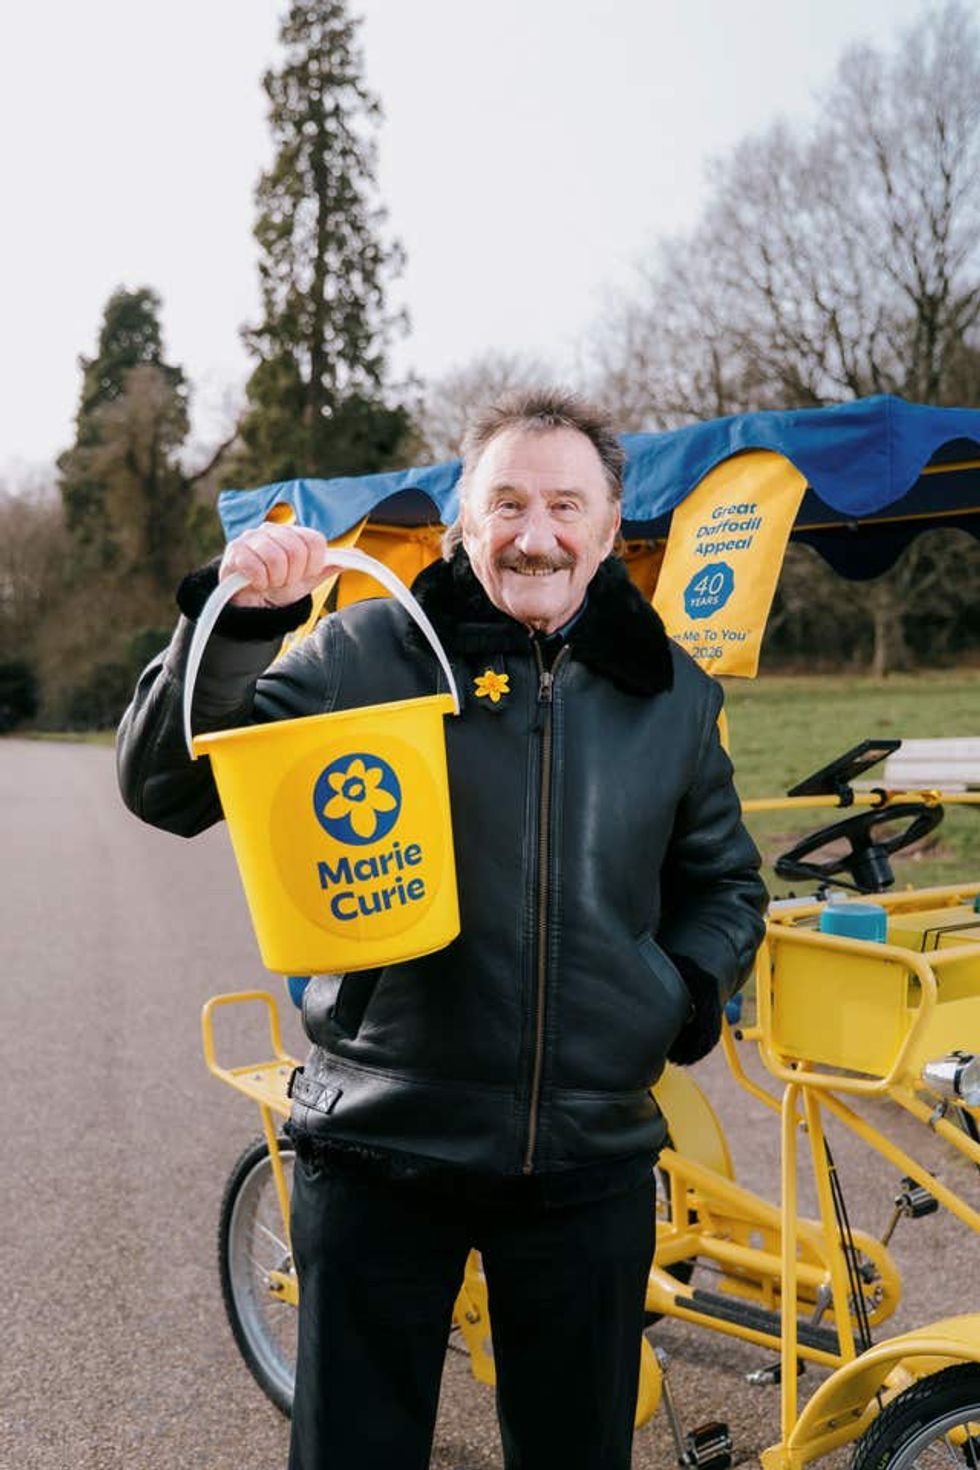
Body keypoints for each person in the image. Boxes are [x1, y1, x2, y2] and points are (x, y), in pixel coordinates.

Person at [117, 388, 767, 1470]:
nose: (535, 534)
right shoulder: (363, 652)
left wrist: (672, 1000)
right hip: (381, 1144)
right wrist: (235, 623)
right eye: (506, 503)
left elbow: (726, 885)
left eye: (565, 505)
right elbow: (163, 787)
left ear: (611, 526)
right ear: (463, 518)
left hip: (589, 1156)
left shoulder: (671, 693)